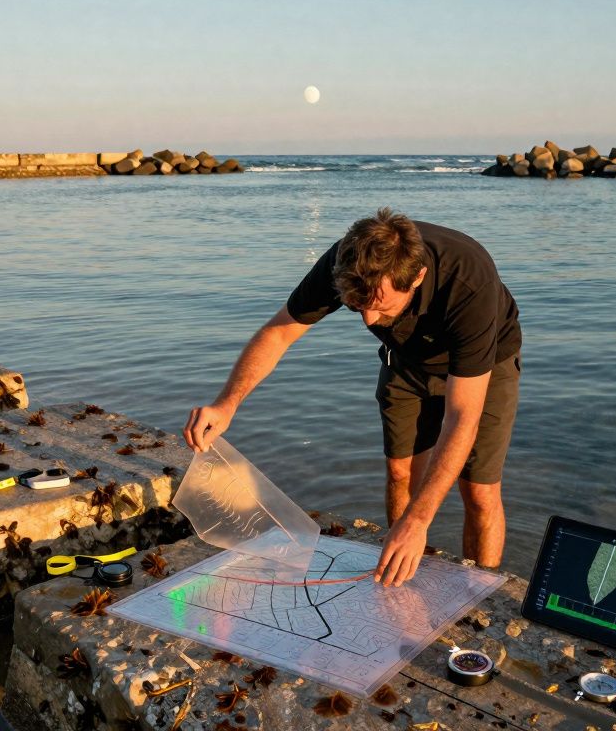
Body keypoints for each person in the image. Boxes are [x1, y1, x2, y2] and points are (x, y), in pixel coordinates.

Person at [185, 208, 521, 587]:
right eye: (357, 307)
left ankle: (480, 590)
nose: (369, 322)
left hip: (486, 366)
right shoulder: (347, 260)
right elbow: (279, 333)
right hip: (405, 360)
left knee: (478, 489)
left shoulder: (468, 281)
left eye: (380, 306)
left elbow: (462, 417)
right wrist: (227, 402)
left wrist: (418, 520)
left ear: (418, 278)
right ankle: (403, 571)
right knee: (401, 472)